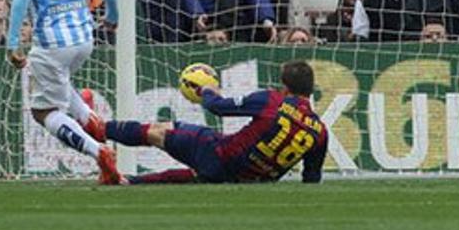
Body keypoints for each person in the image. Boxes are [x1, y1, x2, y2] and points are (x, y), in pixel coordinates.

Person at [4, 0, 121, 185]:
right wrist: (112, 17)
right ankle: (89, 120)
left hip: (52, 42)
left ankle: (99, 152)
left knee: (43, 111)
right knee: (60, 85)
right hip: (84, 38)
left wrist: (13, 43)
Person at [102, 60, 328, 184]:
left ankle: (99, 129)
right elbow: (311, 178)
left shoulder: (272, 101)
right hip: (250, 181)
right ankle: (126, 182)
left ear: (285, 88)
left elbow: (216, 107)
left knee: (159, 132)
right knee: (189, 177)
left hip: (219, 154)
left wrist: (208, 90)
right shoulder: (320, 132)